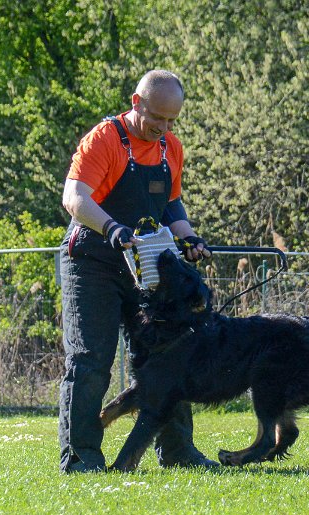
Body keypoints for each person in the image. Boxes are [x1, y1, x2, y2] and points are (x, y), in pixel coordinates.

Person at [58, 70, 217, 473]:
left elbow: (171, 205)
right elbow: (74, 197)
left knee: (168, 353)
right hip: (92, 263)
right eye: (157, 118)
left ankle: (178, 452)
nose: (163, 128)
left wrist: (188, 238)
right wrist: (111, 228)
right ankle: (82, 458)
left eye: (171, 120)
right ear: (136, 102)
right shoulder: (104, 140)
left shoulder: (170, 148)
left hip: (144, 267)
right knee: (91, 360)